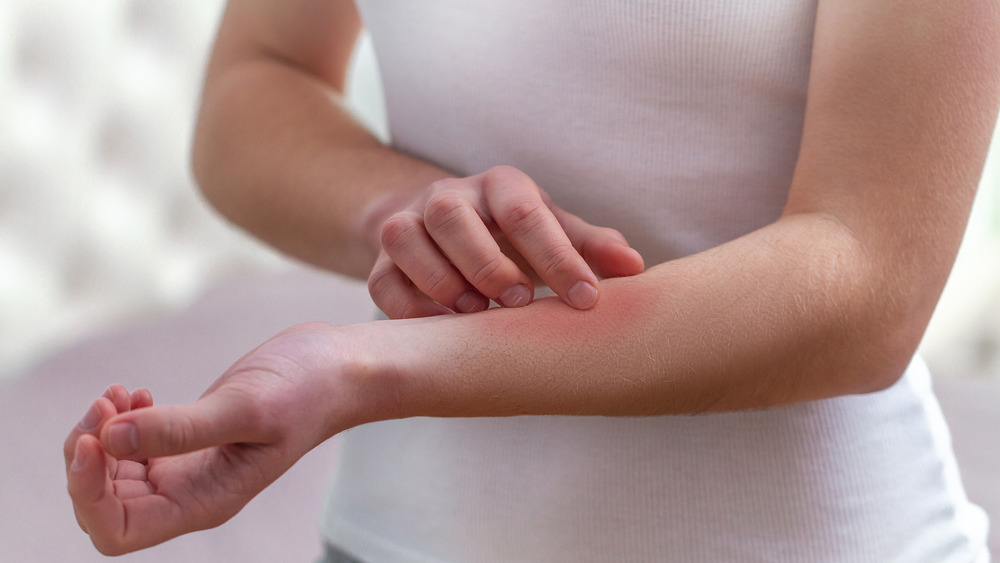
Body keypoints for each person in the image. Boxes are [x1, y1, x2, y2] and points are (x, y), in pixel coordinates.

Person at [65, 0, 999, 560]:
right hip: (401, 541)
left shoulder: (365, 371)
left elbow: (866, 284)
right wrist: (415, 216)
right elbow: (254, 84)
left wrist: (368, 371)